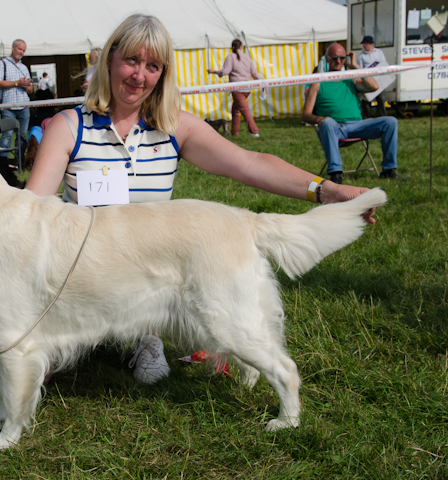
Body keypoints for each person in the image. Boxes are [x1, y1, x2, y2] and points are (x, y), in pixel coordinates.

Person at [25, 15, 378, 384]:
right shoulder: (69, 126)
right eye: (130, 60)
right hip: (82, 280)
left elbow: (250, 164)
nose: (139, 76)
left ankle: (148, 337)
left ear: (163, 73)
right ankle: (72, 331)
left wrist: (327, 190)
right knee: (8, 375)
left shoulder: (175, 125)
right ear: (109, 59)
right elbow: (28, 213)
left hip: (150, 280)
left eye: (152, 66)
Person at [301, 43, 408, 185]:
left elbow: (374, 87)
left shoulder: (352, 78)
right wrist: (320, 119)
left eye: (342, 58)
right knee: (327, 122)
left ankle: (388, 170)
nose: (338, 61)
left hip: (357, 125)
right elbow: (306, 114)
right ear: (327, 59)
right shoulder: (318, 82)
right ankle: (335, 174)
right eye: (334, 58)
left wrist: (356, 67)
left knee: (391, 121)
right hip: (335, 127)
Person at [207, 40, 262, 137]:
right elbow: (254, 73)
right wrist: (262, 83)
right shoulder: (247, 57)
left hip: (237, 89)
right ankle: (234, 132)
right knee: (235, 110)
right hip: (248, 88)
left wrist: (213, 71)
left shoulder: (230, 57)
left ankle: (254, 131)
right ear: (241, 46)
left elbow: (225, 72)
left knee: (244, 110)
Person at [0, 39, 33, 166]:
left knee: (22, 137)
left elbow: (31, 90)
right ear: (13, 48)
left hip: (24, 105)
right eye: (20, 49)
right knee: (7, 135)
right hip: (8, 105)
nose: (21, 52)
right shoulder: (2, 64)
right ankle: (2, 164)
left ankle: (18, 163)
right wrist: (17, 83)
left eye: (23, 50)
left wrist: (26, 85)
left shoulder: (24, 67)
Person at [357, 36, 389, 117]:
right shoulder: (361, 56)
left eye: (366, 43)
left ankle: (382, 115)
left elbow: (383, 63)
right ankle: (368, 116)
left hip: (379, 79)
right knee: (367, 100)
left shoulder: (379, 52)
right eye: (364, 44)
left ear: (371, 44)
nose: (365, 45)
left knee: (381, 99)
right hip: (368, 80)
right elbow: (360, 69)